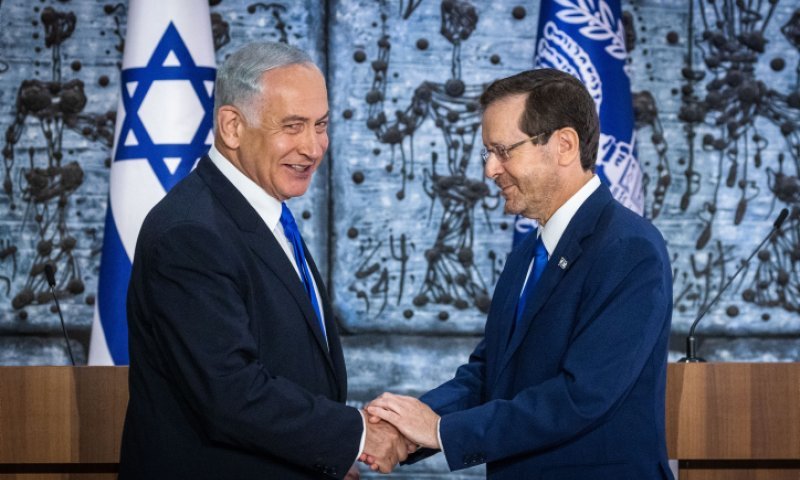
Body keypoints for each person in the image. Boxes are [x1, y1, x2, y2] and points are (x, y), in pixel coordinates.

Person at [119, 42, 409, 480]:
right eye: (292, 126)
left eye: (320, 125)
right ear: (232, 126)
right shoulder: (191, 233)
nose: (313, 147)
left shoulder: (259, 213)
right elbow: (229, 393)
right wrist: (358, 435)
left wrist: (325, 459)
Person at [366, 68, 674, 479]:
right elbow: (489, 374)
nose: (490, 169)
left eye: (503, 151)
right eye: (487, 153)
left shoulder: (629, 249)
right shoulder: (527, 254)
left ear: (564, 145)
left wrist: (440, 431)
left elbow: (582, 396)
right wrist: (403, 428)